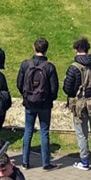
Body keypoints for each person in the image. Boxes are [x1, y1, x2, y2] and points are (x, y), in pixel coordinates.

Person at [63, 37, 91, 170]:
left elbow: (67, 88)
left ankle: (84, 161)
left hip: (80, 105)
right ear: (87, 49)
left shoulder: (73, 67)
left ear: (76, 49)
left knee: (82, 133)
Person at [17, 37, 60, 170]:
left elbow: (19, 83)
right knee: (44, 132)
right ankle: (46, 163)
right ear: (46, 49)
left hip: (29, 103)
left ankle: (25, 162)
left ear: (34, 47)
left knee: (28, 130)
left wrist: (26, 95)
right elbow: (54, 89)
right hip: (45, 104)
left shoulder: (26, 64)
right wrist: (49, 99)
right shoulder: (49, 67)